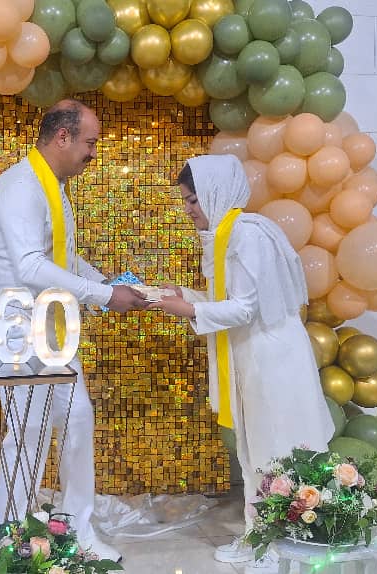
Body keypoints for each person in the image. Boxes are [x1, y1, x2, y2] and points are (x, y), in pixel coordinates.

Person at [149, 154, 335, 573]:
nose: (188, 210)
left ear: (215, 193)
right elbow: (229, 302)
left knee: (277, 448)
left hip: (273, 359)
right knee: (254, 450)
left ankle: (278, 544)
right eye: (186, 201)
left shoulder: (247, 234)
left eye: (193, 200)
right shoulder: (224, 236)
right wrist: (182, 296)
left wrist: (187, 309)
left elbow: (246, 308)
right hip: (252, 357)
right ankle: (259, 536)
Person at [0, 98, 147, 562]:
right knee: (27, 435)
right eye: (90, 142)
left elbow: (62, 259)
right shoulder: (19, 186)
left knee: (77, 421)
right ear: (62, 137)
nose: (93, 153)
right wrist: (103, 296)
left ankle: (78, 530)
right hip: (20, 335)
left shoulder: (52, 186)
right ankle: (9, 540)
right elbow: (30, 266)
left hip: (56, 333)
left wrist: (108, 285)